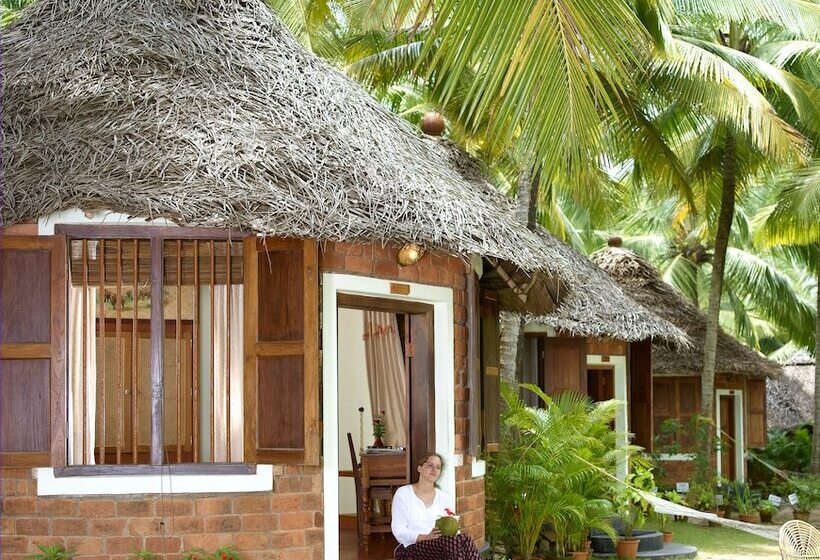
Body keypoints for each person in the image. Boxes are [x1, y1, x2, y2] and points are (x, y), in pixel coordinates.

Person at [391, 452, 481, 560]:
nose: (434, 469)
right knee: (453, 544)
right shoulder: (403, 494)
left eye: (438, 467)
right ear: (419, 468)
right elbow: (398, 529)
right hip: (411, 549)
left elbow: (453, 531)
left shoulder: (445, 498)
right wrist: (425, 537)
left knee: (464, 539)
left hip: (442, 546)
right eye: (430, 465)